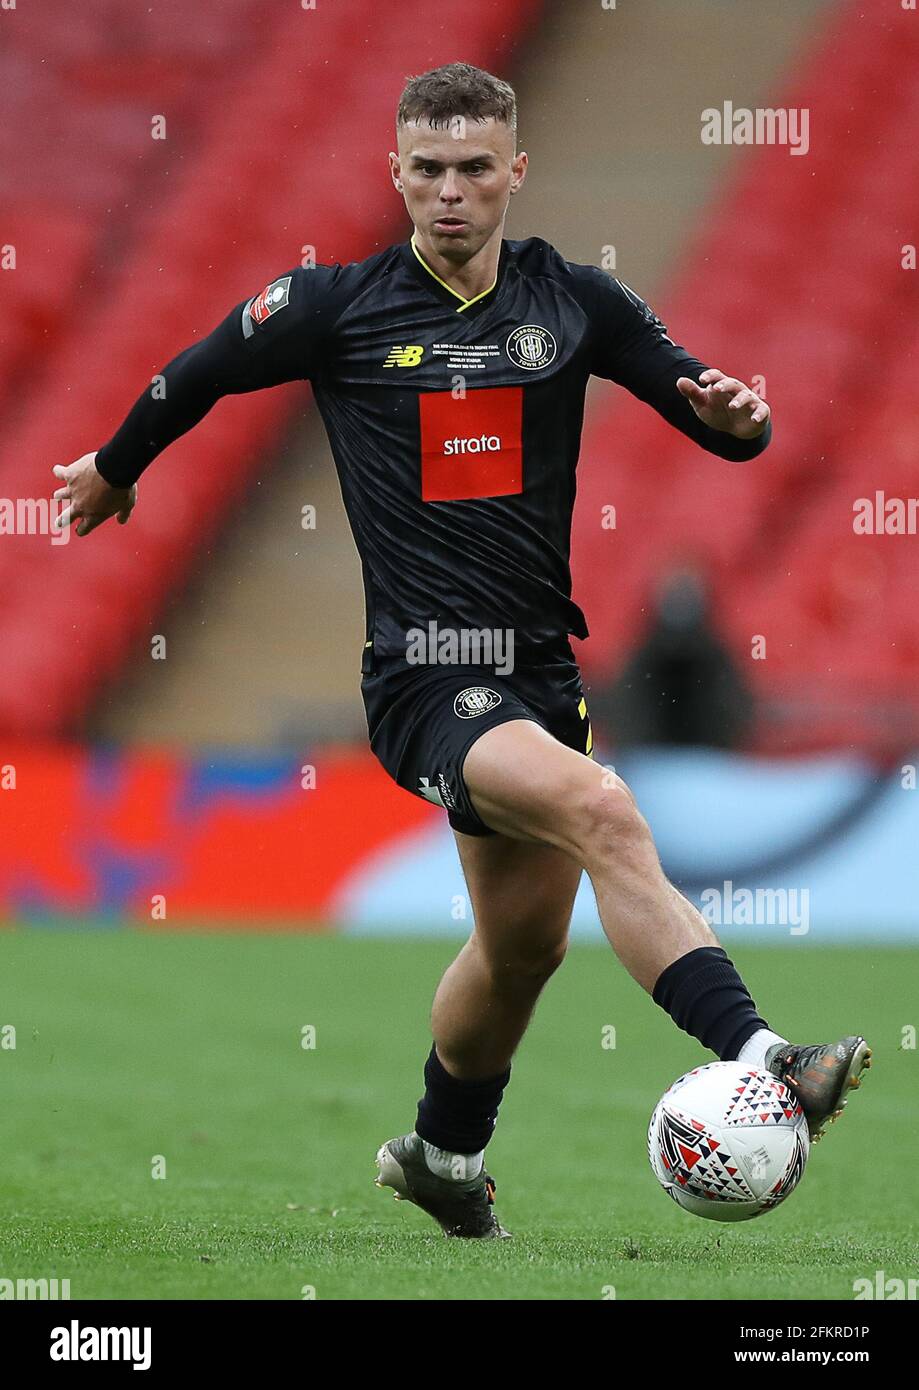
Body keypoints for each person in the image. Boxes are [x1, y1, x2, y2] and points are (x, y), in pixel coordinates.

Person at [52, 62, 870, 1239]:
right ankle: (765, 1055)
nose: (449, 193)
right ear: (394, 173)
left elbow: (698, 400)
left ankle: (440, 1152)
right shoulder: (335, 306)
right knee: (604, 811)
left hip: (537, 676)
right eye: (426, 170)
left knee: (523, 945)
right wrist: (114, 469)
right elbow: (196, 370)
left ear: (514, 174)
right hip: (426, 675)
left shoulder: (573, 302)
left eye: (474, 169)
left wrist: (743, 423)